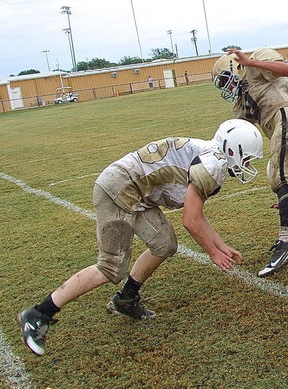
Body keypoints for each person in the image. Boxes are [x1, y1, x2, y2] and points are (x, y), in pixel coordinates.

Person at [16, 119, 264, 356]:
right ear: (233, 150)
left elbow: (196, 213)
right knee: (110, 267)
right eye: (247, 157)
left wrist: (220, 246)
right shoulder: (213, 165)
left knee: (164, 244)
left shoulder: (211, 156)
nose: (248, 164)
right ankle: (38, 314)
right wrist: (213, 252)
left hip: (138, 193)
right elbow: (191, 220)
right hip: (120, 189)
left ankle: (126, 298)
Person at [212, 48, 288, 277]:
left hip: (285, 117)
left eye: (226, 78)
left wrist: (252, 62)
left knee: (279, 175)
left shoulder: (255, 64)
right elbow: (240, 128)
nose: (226, 85)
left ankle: (287, 241)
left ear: (236, 67)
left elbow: (287, 69)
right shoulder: (242, 99)